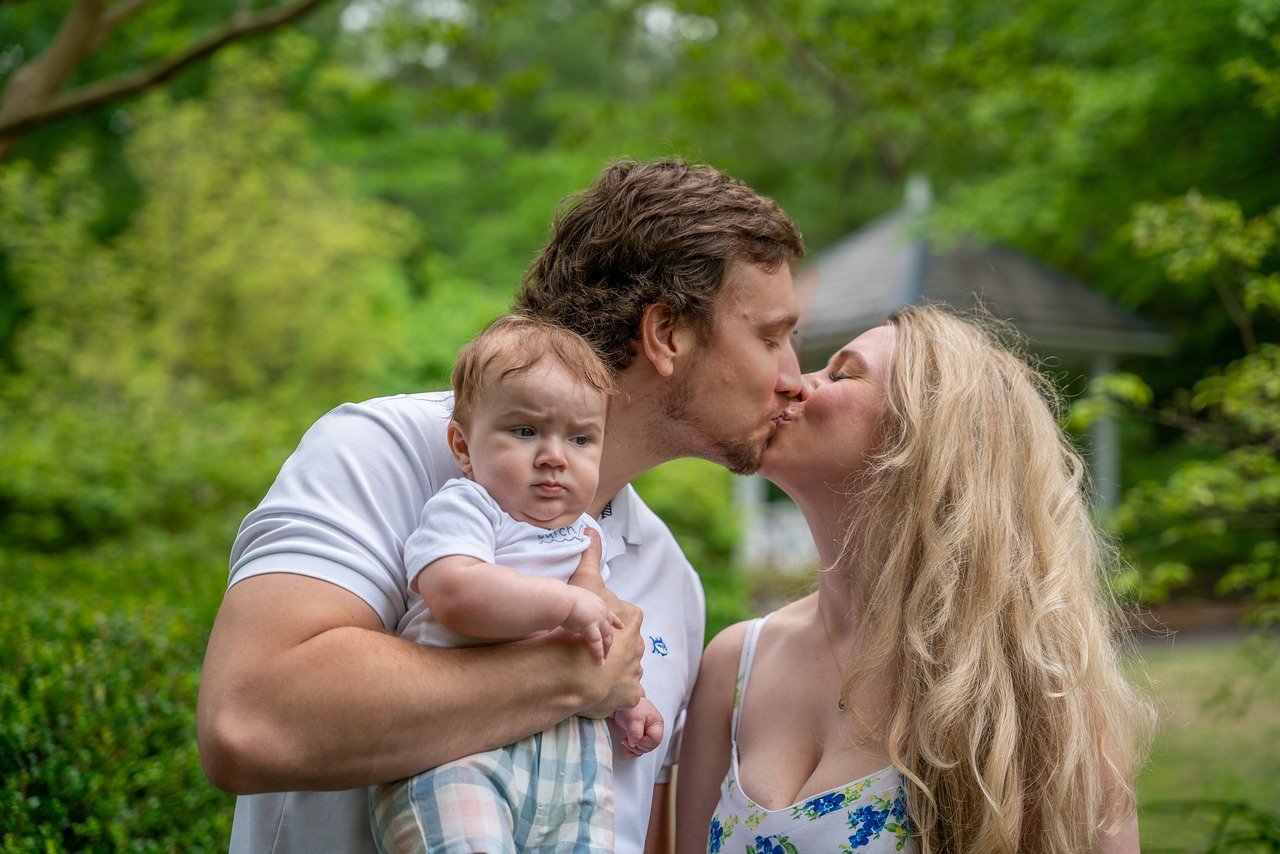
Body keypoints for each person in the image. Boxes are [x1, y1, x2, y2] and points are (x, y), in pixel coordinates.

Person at [197, 158, 807, 854]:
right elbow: (246, 722)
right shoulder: (377, 452)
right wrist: (569, 675)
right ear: (667, 334)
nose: (794, 377)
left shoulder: (674, 581)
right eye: (770, 337)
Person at [675, 306, 1155, 854]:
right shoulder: (734, 663)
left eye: (840, 373)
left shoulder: (1031, 685)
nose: (792, 383)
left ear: (923, 438)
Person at [370, 314, 663, 852]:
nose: (554, 456)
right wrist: (566, 604)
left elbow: (603, 642)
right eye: (526, 431)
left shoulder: (584, 535)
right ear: (462, 447)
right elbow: (455, 592)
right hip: (461, 755)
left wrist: (630, 698)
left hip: (572, 772)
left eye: (580, 438)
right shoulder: (470, 507)